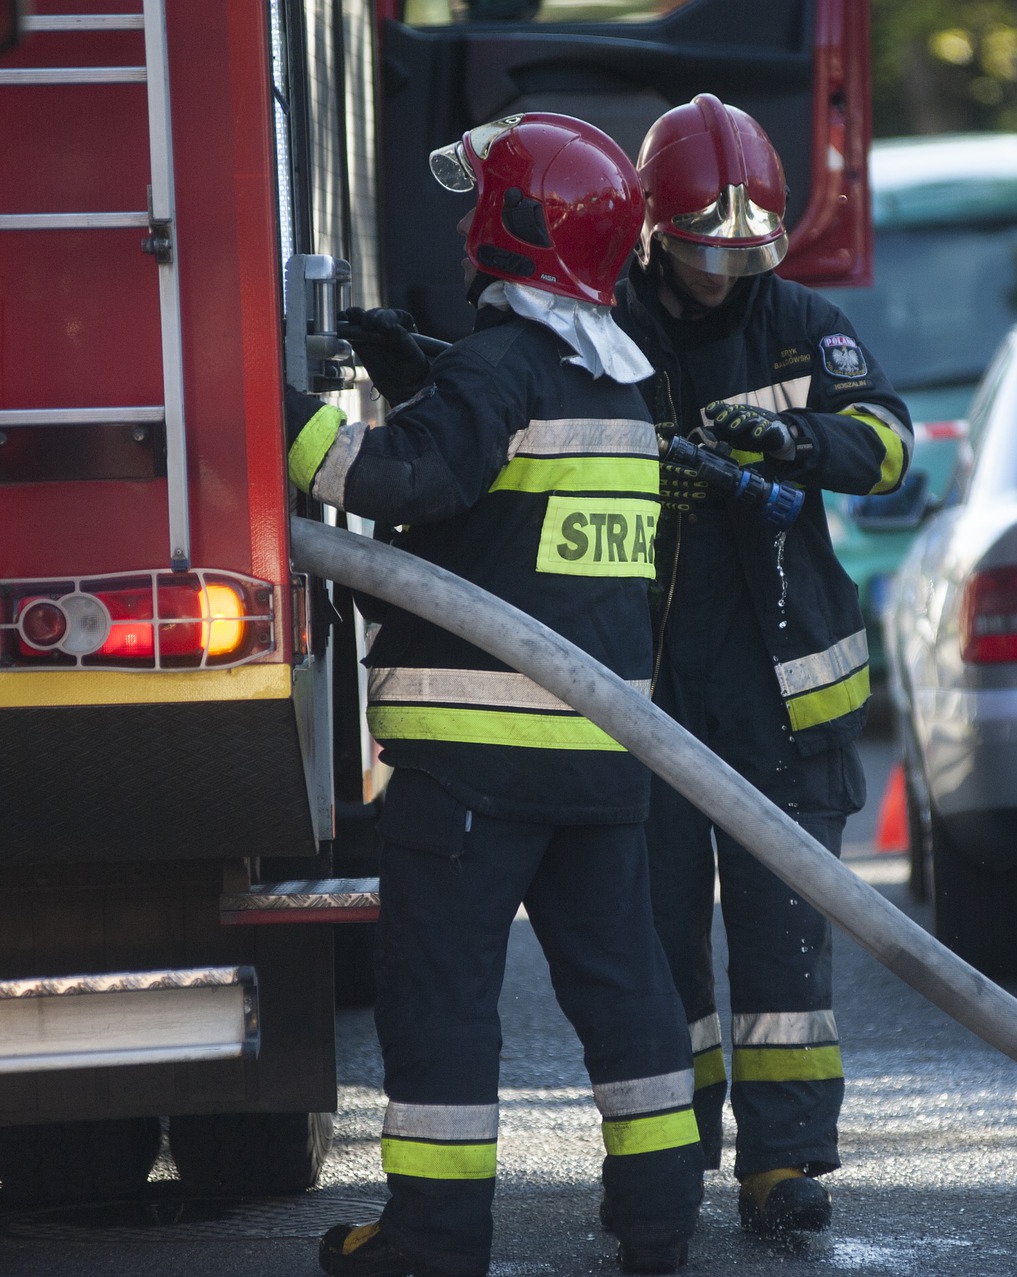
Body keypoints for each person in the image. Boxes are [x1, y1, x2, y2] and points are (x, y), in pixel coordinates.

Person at [287, 112, 702, 1277]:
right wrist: (425, 373)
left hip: (472, 770)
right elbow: (519, 517)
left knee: (441, 1002)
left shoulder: (502, 366)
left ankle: (430, 1238)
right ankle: (660, 1216)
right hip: (600, 762)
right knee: (627, 991)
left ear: (513, 225)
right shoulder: (618, 383)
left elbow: (402, 477)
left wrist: (271, 417)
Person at [612, 94, 912, 1237]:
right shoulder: (609, 334)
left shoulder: (801, 325)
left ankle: (781, 1168)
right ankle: (665, 1167)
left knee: (786, 952)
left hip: (785, 706)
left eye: (742, 251)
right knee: (658, 948)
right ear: (654, 229)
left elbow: (886, 439)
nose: (721, 273)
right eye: (702, 250)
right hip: (647, 702)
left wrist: (803, 440)